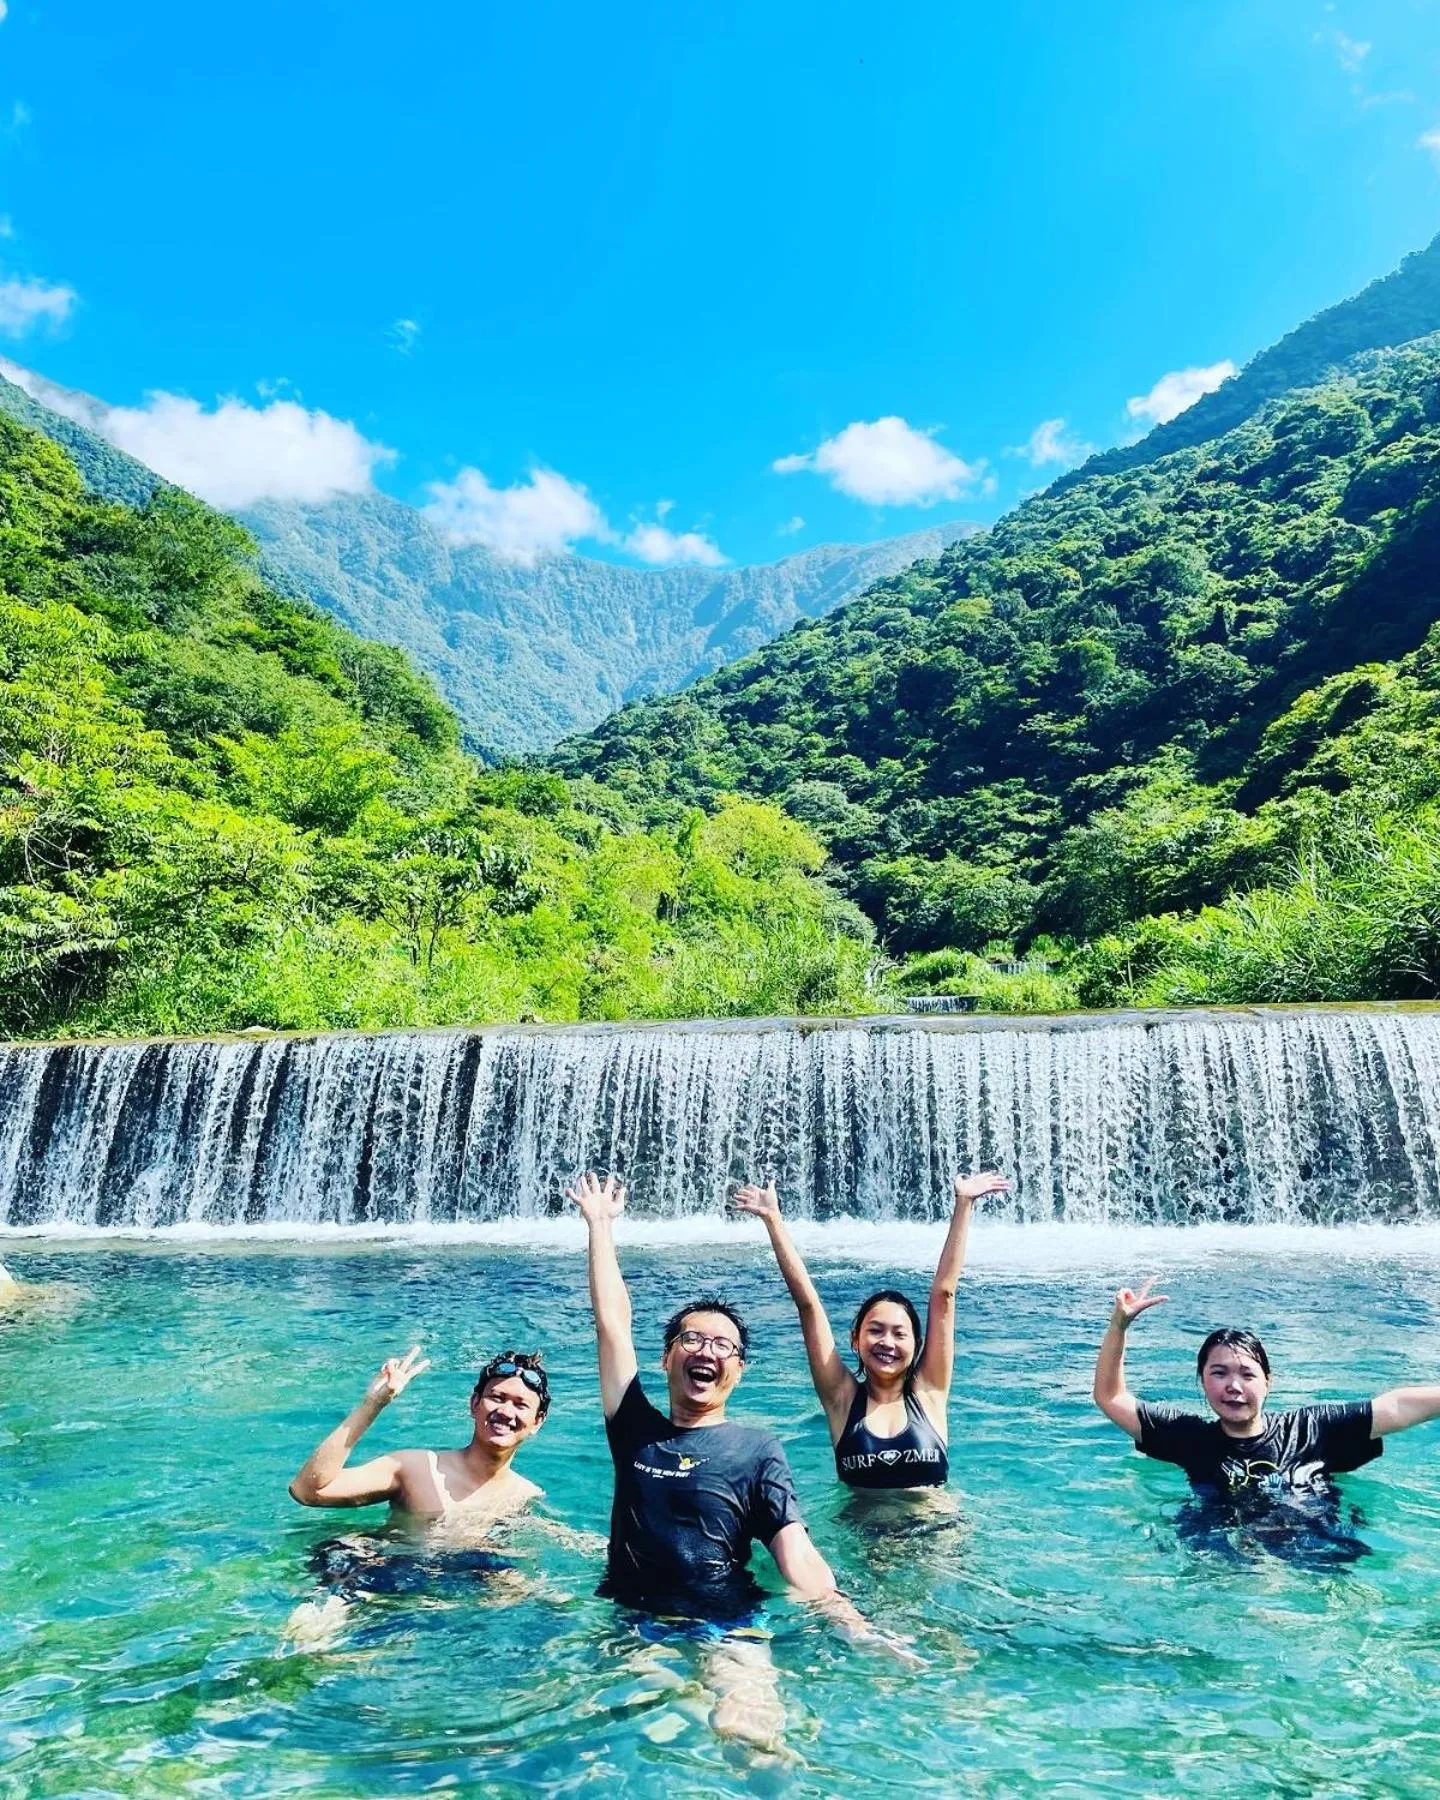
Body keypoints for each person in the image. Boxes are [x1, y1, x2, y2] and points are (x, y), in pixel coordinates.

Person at [567, 1170, 909, 1752]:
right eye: (693, 1340)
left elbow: (793, 1547)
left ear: (738, 1371)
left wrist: (849, 1620)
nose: (707, 1351)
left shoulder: (756, 1448)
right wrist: (600, 1226)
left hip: (726, 1620)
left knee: (750, 1736)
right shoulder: (633, 1426)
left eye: (724, 1345)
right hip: (633, 1620)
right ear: (668, 1357)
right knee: (638, 1727)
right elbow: (611, 1324)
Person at [732, 1170, 1009, 1489]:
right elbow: (808, 1306)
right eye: (875, 1330)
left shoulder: (929, 1391)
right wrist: (773, 1220)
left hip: (938, 1537)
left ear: (917, 1344)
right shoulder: (842, 1399)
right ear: (855, 1339)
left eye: (899, 1333)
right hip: (860, 1539)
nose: (887, 1342)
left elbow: (943, 1294)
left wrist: (963, 1205)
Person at [1093, 1277, 1440, 1505]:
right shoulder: (1189, 1437)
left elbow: (1395, 1407)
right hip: (1224, 1560)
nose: (1233, 1386)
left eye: (1247, 1374)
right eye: (1219, 1373)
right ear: (1202, 1381)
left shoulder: (1311, 1429)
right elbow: (1111, 1398)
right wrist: (1119, 1326)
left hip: (1314, 1555)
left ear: (1268, 1381)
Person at [289, 1346, 549, 1526]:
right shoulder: (415, 1468)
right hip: (375, 1579)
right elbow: (307, 1491)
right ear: (474, 1404)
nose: (505, 1411)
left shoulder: (524, 1496)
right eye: (497, 1398)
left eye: (520, 1405)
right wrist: (373, 1403)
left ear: (537, 1422)